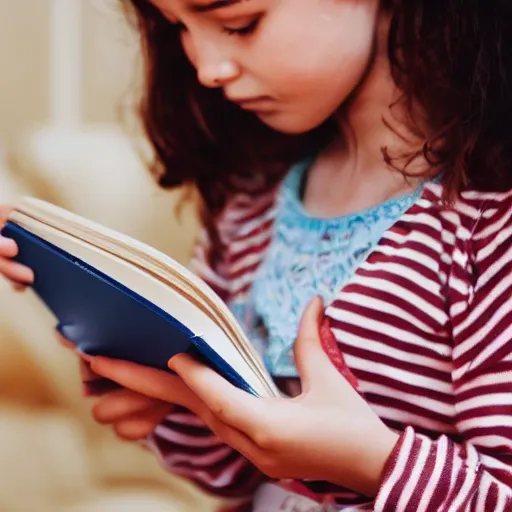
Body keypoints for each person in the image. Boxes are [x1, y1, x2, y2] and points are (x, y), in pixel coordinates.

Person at [1, 0, 512, 510]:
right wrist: (171, 399)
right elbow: (234, 473)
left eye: (239, 24)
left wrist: (370, 460)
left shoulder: (487, 216)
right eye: (179, 27)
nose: (207, 69)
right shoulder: (251, 204)